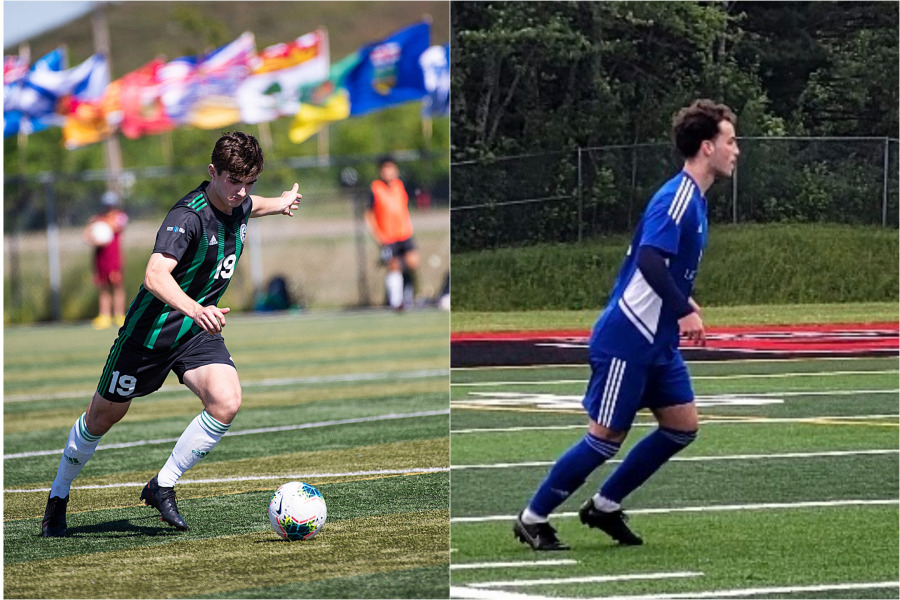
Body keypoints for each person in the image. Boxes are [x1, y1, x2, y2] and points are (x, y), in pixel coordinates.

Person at [42, 131, 302, 537]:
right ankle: (58, 495)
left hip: (196, 331)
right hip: (150, 334)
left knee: (226, 400)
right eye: (234, 182)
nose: (241, 192)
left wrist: (281, 202)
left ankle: (162, 486)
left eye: (249, 183)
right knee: (102, 416)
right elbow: (154, 275)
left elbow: (254, 206)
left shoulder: (241, 200)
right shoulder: (188, 217)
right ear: (213, 172)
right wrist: (196, 308)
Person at [513, 100, 740, 551]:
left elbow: (661, 266)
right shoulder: (676, 197)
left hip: (658, 342)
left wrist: (680, 298)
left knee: (682, 426)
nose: (737, 150)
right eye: (731, 142)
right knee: (606, 438)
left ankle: (605, 505)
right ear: (707, 146)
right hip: (629, 338)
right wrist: (682, 309)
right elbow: (650, 259)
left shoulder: (694, 200)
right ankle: (533, 517)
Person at [365, 156, 419, 310]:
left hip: (404, 233)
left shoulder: (399, 185)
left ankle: (408, 293)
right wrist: (377, 235)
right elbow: (369, 214)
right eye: (385, 169)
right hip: (387, 235)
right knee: (393, 265)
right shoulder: (376, 188)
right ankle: (396, 302)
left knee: (412, 261)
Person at [84, 191, 129, 329]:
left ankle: (119, 315)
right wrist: (91, 232)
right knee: (103, 288)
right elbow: (87, 235)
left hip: (114, 258)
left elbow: (115, 225)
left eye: (111, 205)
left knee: (117, 286)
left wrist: (99, 223)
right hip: (100, 259)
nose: (109, 208)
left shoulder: (119, 217)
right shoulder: (98, 219)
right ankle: (104, 315)